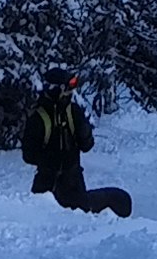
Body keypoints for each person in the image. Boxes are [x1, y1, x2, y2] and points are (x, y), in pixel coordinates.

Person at [18, 71, 130, 217]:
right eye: (67, 89)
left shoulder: (73, 112)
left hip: (73, 182)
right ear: (55, 89)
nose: (70, 93)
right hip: (47, 184)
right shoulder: (38, 118)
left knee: (81, 218)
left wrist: (85, 134)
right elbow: (28, 155)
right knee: (41, 220)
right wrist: (51, 159)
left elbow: (87, 146)